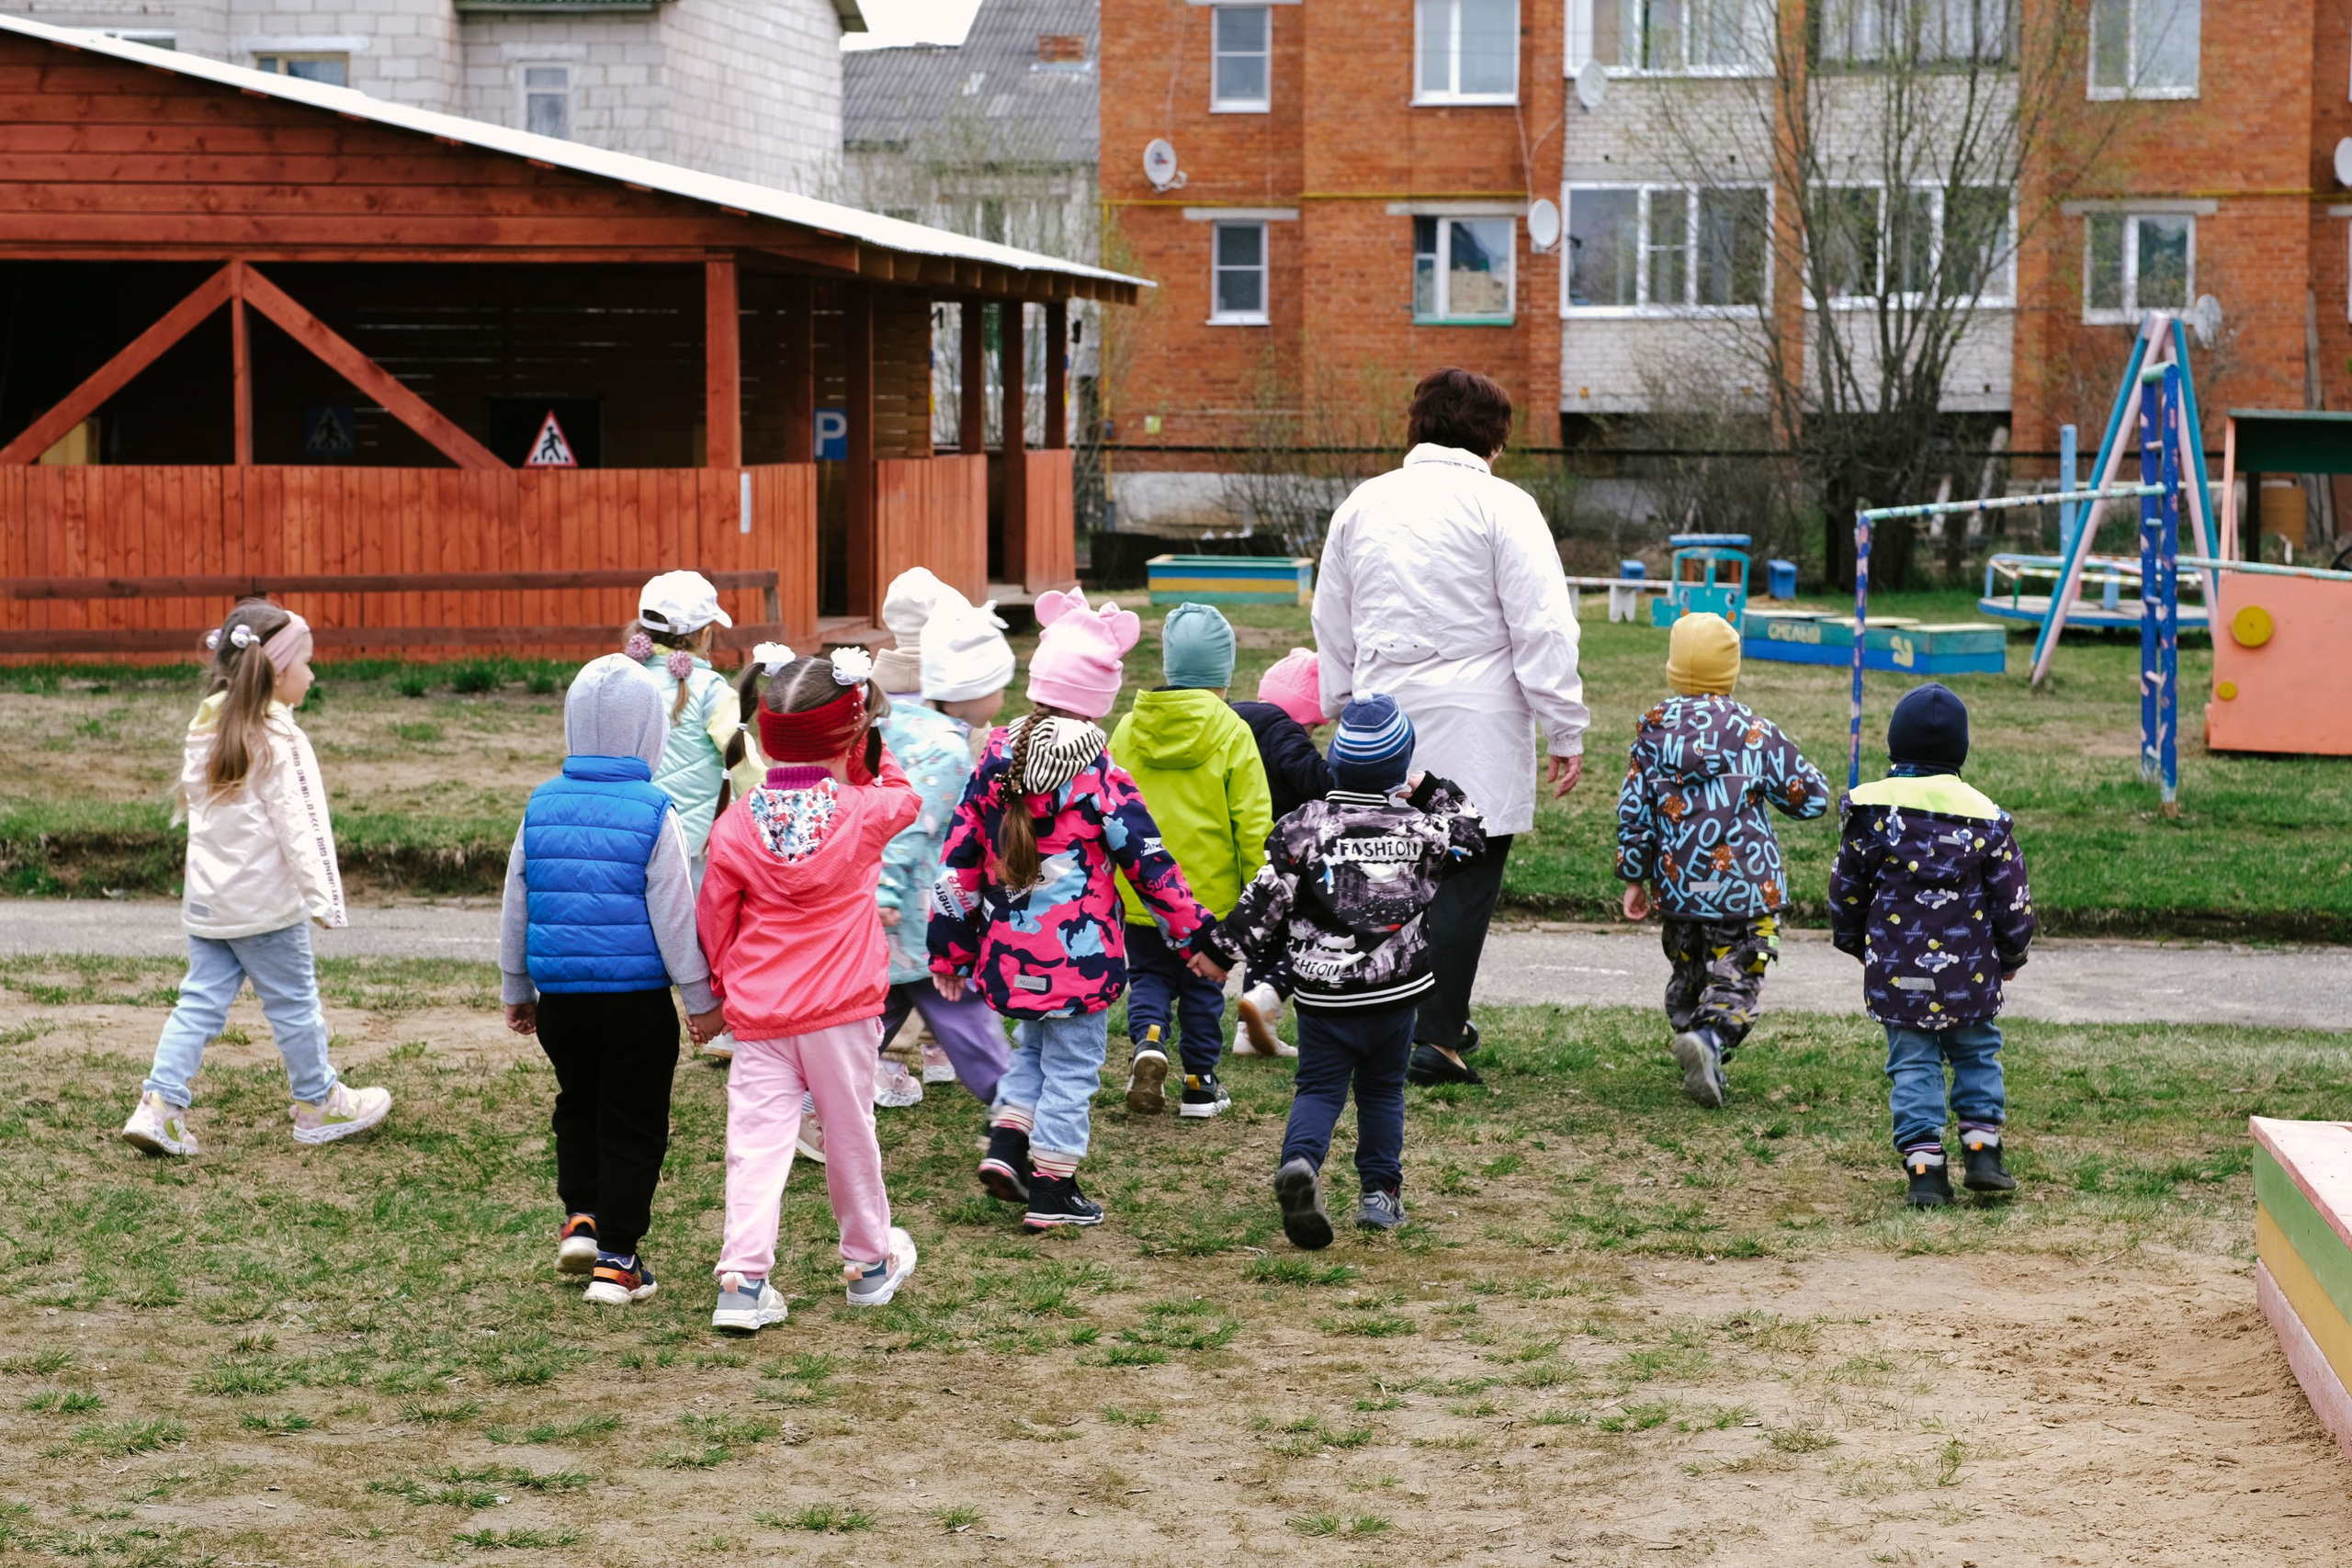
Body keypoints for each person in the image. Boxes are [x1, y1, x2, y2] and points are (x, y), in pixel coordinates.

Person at [1312, 367, 1590, 1089]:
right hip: (1479, 714)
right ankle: (1437, 1031)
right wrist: (1565, 724)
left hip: (1384, 710)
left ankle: (1381, 1017)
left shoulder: (1363, 504)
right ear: (1495, 435)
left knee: (1386, 867)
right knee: (1465, 874)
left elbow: (1331, 614)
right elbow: (1543, 623)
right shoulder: (1504, 505)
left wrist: (1341, 702)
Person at [929, 589, 1210, 1231]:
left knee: (1031, 1048)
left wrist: (948, 946)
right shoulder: (1099, 774)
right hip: (1079, 964)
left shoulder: (995, 759)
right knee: (1074, 1068)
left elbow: (958, 859)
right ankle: (1053, 1187)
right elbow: (1148, 859)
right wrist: (1191, 932)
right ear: (1098, 699)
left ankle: (1006, 1145)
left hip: (1008, 954)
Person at [1189, 696, 1487, 1248]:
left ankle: (1300, 1164)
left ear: (1337, 763)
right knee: (1382, 1093)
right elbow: (1472, 832)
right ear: (1400, 768)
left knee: (1320, 1088)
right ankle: (1380, 1195)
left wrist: (1219, 950)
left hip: (1325, 994)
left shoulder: (1304, 828)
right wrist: (1428, 788)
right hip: (1396, 994)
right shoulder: (1422, 828)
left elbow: (1265, 899)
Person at [698, 648, 922, 1333]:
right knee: (850, 1132)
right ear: (852, 735)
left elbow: (715, 914)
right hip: (842, 1011)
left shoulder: (735, 822)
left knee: (756, 1143)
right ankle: (868, 1260)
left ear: (764, 734)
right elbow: (905, 795)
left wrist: (717, 985)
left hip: (761, 1014)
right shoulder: (863, 811)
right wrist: (871, 754)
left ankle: (743, 1278)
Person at [119, 599, 391, 1159]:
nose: (313, 674)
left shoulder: (206, 728)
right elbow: (304, 826)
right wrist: (326, 900)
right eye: (307, 664)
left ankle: (159, 1106)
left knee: (197, 1003)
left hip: (211, 907)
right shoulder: (280, 739)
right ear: (277, 669)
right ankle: (318, 1104)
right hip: (267, 910)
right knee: (294, 1004)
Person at [499, 654, 725, 1305]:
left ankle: (583, 1216)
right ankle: (618, 1258)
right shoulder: (656, 810)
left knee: (579, 1103)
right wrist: (701, 998)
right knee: (634, 1121)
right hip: (635, 1005)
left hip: (562, 1003)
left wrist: (517, 985)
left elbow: (518, 900)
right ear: (651, 732)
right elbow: (676, 914)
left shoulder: (540, 803)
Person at [1828, 683, 2036, 1208]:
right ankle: (1983, 1151)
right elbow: (2012, 898)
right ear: (1959, 753)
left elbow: (1846, 886)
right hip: (1969, 970)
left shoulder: (1872, 811)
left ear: (1896, 746)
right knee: (1977, 1052)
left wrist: (1853, 941)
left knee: (1913, 1063)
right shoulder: (1986, 819)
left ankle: (1925, 1170)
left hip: (1898, 970)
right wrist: (2011, 955)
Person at [1615, 613, 1832, 1109]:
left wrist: (1634, 877)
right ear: (1730, 673)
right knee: (1737, 974)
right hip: (1745, 887)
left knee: (1689, 974)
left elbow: (1634, 812)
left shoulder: (1651, 735)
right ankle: (1709, 1041)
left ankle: (1692, 1036)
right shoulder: (1755, 733)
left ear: (1673, 669)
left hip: (1679, 889)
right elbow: (1811, 798)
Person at [1109, 603, 1272, 1118]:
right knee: (1204, 983)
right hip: (1210, 898)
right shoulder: (1233, 730)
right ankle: (1200, 1083)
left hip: (1141, 891)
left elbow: (1108, 806)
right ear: (1224, 675)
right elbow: (1252, 823)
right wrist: (1255, 897)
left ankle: (1150, 1040)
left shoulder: (1130, 727)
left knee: (1151, 975)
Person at [873, 598, 1016, 1104]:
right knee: (967, 1022)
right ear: (973, 692)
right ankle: (1013, 1117)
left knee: (871, 1026)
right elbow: (908, 826)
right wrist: (886, 889)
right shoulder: (949, 752)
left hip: (890, 927)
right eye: (998, 686)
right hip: (923, 921)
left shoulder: (898, 725)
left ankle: (809, 1103)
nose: (1002, 696)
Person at [630, 570, 741, 1059]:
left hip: (631, 825)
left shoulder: (620, 675)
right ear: (702, 634)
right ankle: (722, 1018)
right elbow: (738, 754)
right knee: (712, 928)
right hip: (693, 835)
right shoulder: (712, 687)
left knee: (643, 923)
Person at [1224, 646, 1331, 1057]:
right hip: (1280, 854)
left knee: (1263, 936)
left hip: (1234, 844)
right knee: (1289, 937)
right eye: (1314, 729)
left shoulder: (1235, 718)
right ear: (1304, 715)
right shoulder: (1285, 731)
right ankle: (1259, 1013)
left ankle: (1250, 1029)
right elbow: (1318, 782)